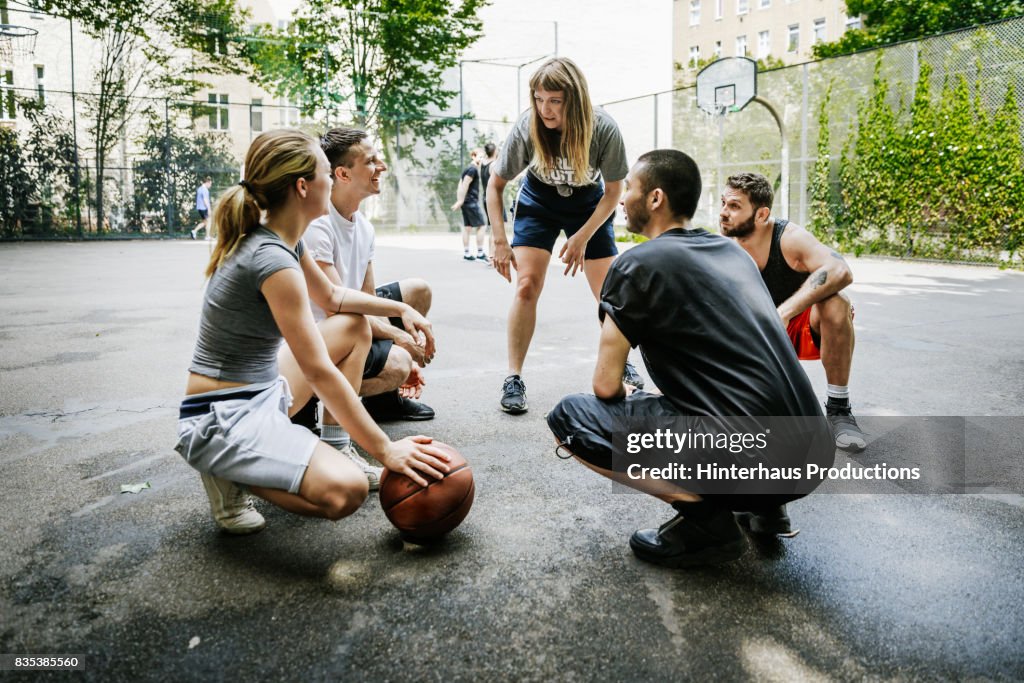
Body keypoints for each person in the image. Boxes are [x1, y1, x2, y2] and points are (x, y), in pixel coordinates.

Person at [547, 150, 830, 567]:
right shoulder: (734, 253)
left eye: (630, 189)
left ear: (656, 198)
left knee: (571, 418)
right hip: (812, 452)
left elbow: (605, 385)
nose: (622, 199)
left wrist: (629, 394)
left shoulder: (635, 265)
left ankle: (707, 525)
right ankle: (764, 505)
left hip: (753, 454)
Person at [174, 129, 450, 535]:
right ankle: (228, 471)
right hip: (221, 415)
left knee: (353, 325)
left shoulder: (287, 241)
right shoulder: (272, 261)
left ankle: (337, 446)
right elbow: (319, 370)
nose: (330, 180)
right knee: (346, 491)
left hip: (260, 392)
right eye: (325, 172)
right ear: (303, 186)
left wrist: (402, 309)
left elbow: (337, 298)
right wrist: (387, 449)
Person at [486, 57, 643, 414]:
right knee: (526, 285)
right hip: (539, 199)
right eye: (540, 99)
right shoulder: (528, 125)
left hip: (590, 202)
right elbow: (495, 186)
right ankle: (514, 377)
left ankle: (620, 362)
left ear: (574, 99)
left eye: (554, 100)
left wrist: (583, 236)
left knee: (609, 294)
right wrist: (499, 238)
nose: (545, 109)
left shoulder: (603, 128)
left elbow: (615, 190)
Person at [291, 128, 437, 486]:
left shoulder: (364, 227)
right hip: (321, 337)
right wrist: (401, 342)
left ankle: (382, 400)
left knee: (417, 291)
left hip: (348, 321)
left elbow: (367, 299)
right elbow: (339, 304)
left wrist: (399, 323)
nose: (381, 167)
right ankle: (318, 411)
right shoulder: (317, 225)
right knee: (397, 358)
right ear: (342, 174)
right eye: (371, 161)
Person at [720, 172, 867, 451]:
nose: (724, 213)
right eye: (723, 203)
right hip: (757, 334)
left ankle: (838, 408)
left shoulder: (789, 238)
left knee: (837, 303)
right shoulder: (723, 247)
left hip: (798, 326)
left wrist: (784, 312)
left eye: (734, 206)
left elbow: (840, 270)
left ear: (762, 214)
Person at [452, 149, 487, 260]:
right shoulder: (472, 169)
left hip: (466, 202)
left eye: (483, 157)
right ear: (473, 156)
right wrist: (460, 201)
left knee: (467, 228)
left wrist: (460, 200)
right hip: (470, 202)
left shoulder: (468, 169)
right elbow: (465, 184)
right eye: (480, 157)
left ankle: (467, 253)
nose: (481, 159)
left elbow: (460, 184)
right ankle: (480, 253)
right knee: (482, 225)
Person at [478, 142, 501, 264]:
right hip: (493, 198)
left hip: (485, 198)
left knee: (492, 228)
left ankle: (491, 256)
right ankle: (492, 257)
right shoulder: (494, 164)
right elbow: (498, 180)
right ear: (495, 151)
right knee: (495, 229)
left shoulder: (483, 163)